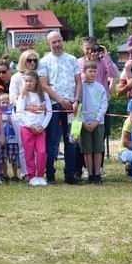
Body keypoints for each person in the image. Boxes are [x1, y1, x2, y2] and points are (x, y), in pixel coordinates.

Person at [38, 30, 82, 185]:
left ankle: (70, 174)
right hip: (54, 106)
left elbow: (78, 82)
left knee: (72, 139)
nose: (56, 45)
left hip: (72, 107)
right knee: (51, 141)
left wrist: (76, 101)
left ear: (62, 40)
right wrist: (60, 101)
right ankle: (50, 174)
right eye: (53, 42)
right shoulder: (44, 62)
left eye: (58, 41)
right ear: (48, 44)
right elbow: (44, 85)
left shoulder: (72, 59)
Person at [16, 71, 52, 186]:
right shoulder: (22, 96)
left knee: (41, 152)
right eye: (26, 81)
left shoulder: (44, 95)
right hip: (27, 129)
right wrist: (30, 126)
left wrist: (42, 126)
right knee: (29, 152)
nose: (28, 83)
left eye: (30, 81)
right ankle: (31, 176)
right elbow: (19, 113)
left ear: (36, 81)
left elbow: (49, 112)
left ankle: (40, 175)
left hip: (40, 129)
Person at [9, 50, 39, 180]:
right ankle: (26, 172)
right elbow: (12, 98)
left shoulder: (39, 75)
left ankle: (36, 172)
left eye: (35, 60)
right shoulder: (16, 77)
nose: (32, 63)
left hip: (37, 115)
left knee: (38, 147)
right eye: (29, 60)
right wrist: (26, 106)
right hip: (20, 115)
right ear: (23, 61)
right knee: (23, 145)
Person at [79, 60, 108, 185]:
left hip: (98, 123)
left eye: (95, 71)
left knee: (98, 149)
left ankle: (97, 174)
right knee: (87, 150)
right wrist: (84, 122)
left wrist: (97, 120)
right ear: (84, 72)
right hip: (85, 122)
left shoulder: (99, 87)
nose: (93, 73)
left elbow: (103, 104)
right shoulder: (80, 87)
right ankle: (90, 174)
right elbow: (78, 106)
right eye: (90, 71)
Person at [0, 93, 20, 182]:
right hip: (2, 137)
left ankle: (15, 175)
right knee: (2, 157)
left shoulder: (13, 112)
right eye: (3, 102)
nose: (5, 104)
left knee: (13, 157)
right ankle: (5, 174)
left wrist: (11, 122)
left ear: (10, 103)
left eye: (7, 102)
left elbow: (17, 124)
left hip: (12, 138)